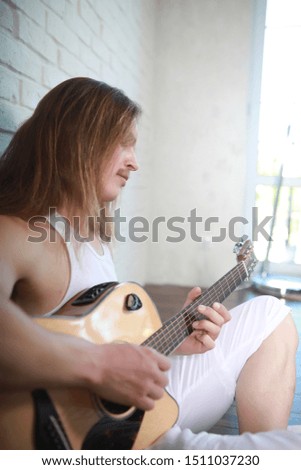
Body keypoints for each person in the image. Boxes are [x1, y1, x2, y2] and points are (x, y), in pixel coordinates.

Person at [0, 77, 300, 450]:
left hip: (128, 407)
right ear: (79, 140)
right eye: (122, 144)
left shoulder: (92, 239)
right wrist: (99, 366)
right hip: (94, 438)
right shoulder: (18, 232)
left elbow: (101, 340)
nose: (134, 162)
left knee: (272, 313)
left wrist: (175, 341)